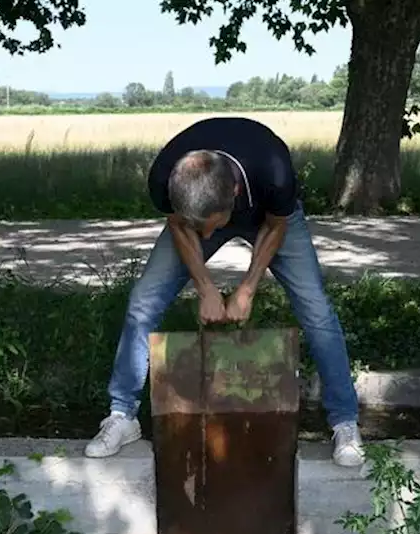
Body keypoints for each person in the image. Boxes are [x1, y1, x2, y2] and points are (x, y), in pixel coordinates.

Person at [83, 116, 364, 467]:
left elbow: (276, 227)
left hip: (270, 218)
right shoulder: (165, 177)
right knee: (142, 303)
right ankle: (122, 416)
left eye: (210, 228)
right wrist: (205, 287)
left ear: (233, 192)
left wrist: (246, 289)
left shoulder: (274, 172)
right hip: (199, 213)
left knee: (317, 310)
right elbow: (181, 228)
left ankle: (344, 421)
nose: (205, 238)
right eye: (197, 228)